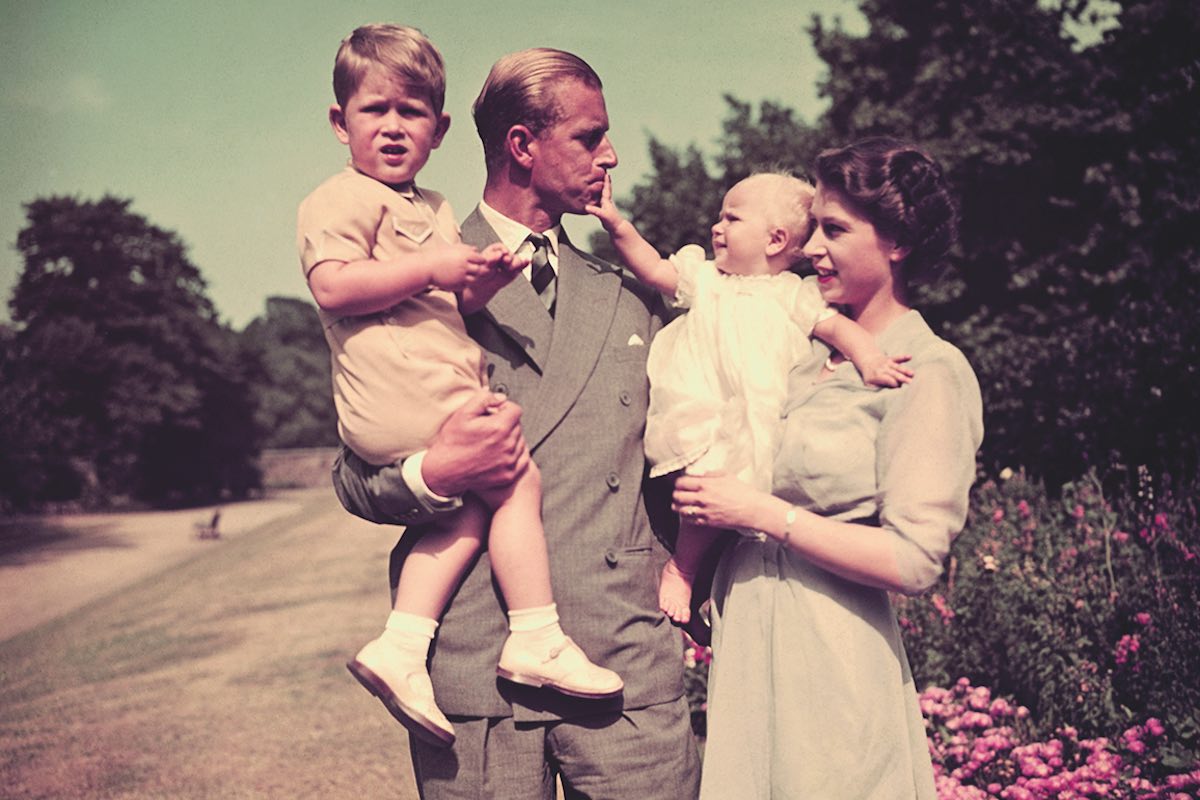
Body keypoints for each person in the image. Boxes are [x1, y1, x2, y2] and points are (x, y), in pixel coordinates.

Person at [331, 47, 701, 799]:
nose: (612, 155)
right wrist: (433, 475)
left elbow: (690, 455)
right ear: (522, 145)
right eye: (591, 137)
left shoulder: (632, 298)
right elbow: (352, 475)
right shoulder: (408, 274)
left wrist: (690, 578)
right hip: (474, 671)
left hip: (623, 668)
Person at [296, 25, 622, 750]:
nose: (392, 128)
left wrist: (478, 283)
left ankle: (401, 645)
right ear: (338, 121)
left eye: (411, 114)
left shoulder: (436, 214)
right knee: (511, 480)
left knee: (482, 504)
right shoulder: (341, 201)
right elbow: (335, 287)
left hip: (623, 647)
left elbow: (448, 306)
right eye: (374, 111)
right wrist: (430, 472)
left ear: (439, 130)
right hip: (403, 405)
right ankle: (533, 634)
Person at [671, 138, 984, 798]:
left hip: (835, 672)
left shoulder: (928, 371)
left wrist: (762, 514)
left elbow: (914, 559)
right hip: (748, 659)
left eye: (835, 230)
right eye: (813, 229)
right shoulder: (800, 359)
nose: (812, 249)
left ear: (897, 243)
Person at [587, 171, 913, 627]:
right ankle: (682, 568)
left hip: (760, 417)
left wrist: (871, 359)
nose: (716, 227)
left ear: (775, 239)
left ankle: (711, 591)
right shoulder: (706, 279)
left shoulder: (792, 295)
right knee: (706, 488)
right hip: (702, 411)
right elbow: (655, 269)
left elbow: (838, 328)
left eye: (732, 218)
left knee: (746, 503)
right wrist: (618, 226)